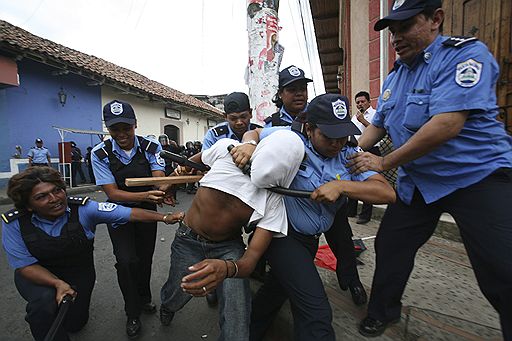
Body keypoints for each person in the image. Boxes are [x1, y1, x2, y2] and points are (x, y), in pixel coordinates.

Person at [346, 1, 512, 339]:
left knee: (501, 266)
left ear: (435, 19)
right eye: (393, 31)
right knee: (391, 245)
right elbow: (376, 128)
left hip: (476, 177)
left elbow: (447, 125)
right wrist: (344, 153)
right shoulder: (395, 76)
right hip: (420, 183)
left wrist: (384, 162)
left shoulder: (464, 56)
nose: (396, 37)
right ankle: (383, 312)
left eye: (405, 26)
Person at [232, 93, 396, 341]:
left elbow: (386, 192)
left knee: (277, 291)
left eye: (342, 136)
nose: (336, 143)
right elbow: (254, 134)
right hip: (281, 236)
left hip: (309, 241)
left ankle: (244, 333)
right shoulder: (290, 141)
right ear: (309, 128)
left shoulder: (348, 155)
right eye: (328, 136)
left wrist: (342, 187)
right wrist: (249, 144)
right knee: (316, 311)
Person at [1, 166, 183, 341]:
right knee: (43, 305)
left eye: (57, 190)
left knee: (75, 323)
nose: (54, 198)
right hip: (36, 274)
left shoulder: (84, 209)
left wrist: (165, 217)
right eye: (41, 197)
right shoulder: (14, 223)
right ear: (28, 205)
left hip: (78, 271)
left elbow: (128, 213)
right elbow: (25, 265)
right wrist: (57, 283)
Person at [159, 129, 305, 341]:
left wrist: (228, 269)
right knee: (177, 292)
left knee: (238, 314)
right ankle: (168, 305)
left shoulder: (274, 203)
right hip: (188, 239)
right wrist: (171, 182)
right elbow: (193, 161)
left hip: (228, 248)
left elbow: (250, 260)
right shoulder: (227, 149)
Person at [263, 65, 368, 306]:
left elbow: (348, 145)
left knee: (343, 242)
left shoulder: (326, 117)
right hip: (291, 203)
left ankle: (352, 281)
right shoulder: (272, 124)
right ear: (280, 94)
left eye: (303, 88)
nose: (299, 94)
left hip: (332, 199)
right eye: (292, 90)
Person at [91, 99, 170, 338]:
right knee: (126, 261)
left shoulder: (151, 145)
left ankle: (144, 298)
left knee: (144, 259)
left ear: (135, 124)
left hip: (146, 213)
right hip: (118, 214)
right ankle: (132, 312)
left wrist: (163, 188)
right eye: (115, 129)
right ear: (108, 128)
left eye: (126, 127)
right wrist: (148, 192)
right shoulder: (100, 153)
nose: (122, 133)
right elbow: (112, 193)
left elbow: (159, 177)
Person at [347, 91, 381, 224]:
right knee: (353, 181)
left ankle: (365, 215)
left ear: (369, 101)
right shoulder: (354, 117)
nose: (360, 104)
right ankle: (351, 210)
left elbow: (377, 131)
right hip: (356, 150)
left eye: (362, 101)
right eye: (358, 102)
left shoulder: (375, 114)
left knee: (368, 182)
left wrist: (364, 121)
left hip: (371, 150)